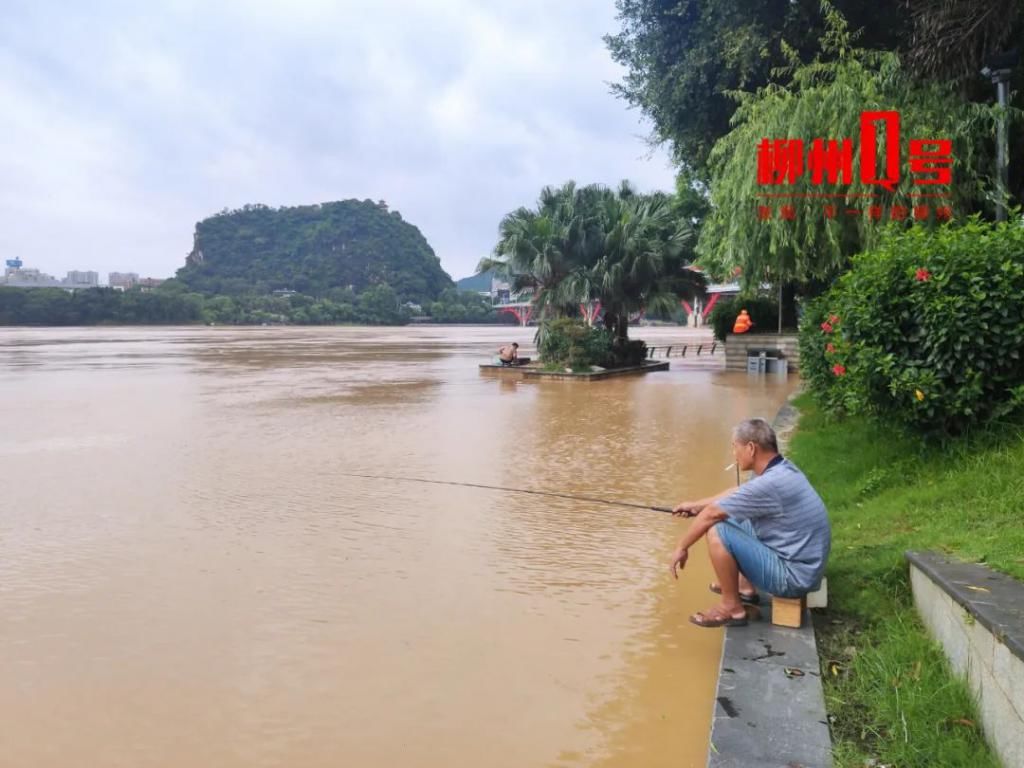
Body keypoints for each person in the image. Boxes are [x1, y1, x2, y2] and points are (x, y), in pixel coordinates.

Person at [668, 418, 830, 628]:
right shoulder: (782, 469)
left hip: (794, 578)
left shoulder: (770, 483)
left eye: (735, 447)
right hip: (806, 567)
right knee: (734, 516)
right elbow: (737, 494)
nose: (733, 454)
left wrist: (681, 547)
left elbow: (711, 516)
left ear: (751, 448)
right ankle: (744, 587)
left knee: (718, 530)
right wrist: (696, 505)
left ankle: (731, 608)